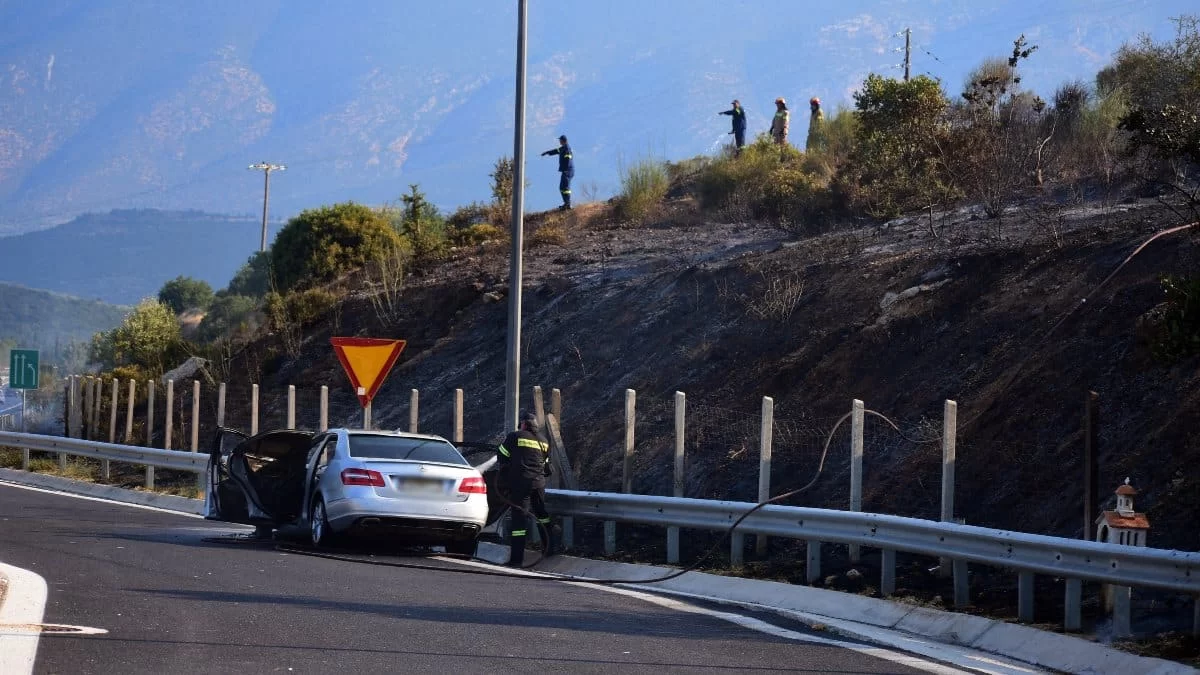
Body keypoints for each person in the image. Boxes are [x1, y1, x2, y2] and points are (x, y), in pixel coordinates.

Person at [496, 411, 554, 566]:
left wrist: (508, 469)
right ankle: (550, 548)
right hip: (539, 483)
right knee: (542, 515)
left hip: (522, 484)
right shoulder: (544, 440)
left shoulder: (515, 436)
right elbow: (546, 464)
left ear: (523, 424)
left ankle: (516, 560)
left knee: (519, 522)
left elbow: (501, 455)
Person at [540, 135, 574, 210]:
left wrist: (565, 169)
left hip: (567, 171)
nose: (559, 141)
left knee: (565, 187)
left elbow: (568, 159)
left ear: (563, 140)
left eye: (560, 140)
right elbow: (556, 151)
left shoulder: (567, 148)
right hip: (566, 170)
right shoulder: (563, 148)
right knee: (562, 187)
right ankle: (566, 203)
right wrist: (547, 152)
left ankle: (568, 204)